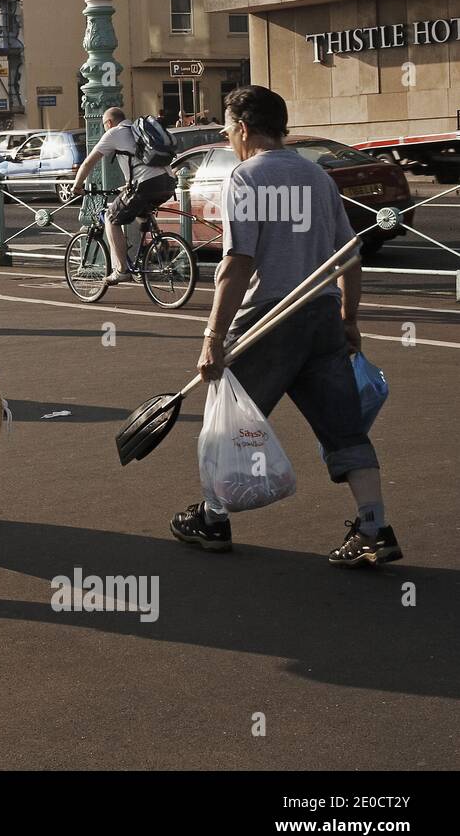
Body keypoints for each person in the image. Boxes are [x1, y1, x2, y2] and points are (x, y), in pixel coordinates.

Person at [170, 85, 397, 568]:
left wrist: (212, 337)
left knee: (227, 420)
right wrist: (348, 319)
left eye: (229, 130)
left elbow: (237, 261)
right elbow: (349, 256)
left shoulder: (246, 176)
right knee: (345, 428)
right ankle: (375, 525)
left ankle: (213, 518)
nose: (230, 138)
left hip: (268, 319)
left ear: (244, 128)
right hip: (320, 318)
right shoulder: (317, 177)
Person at [70, 106, 177, 285]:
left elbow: (89, 162)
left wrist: (77, 185)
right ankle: (153, 249)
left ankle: (121, 270)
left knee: (111, 218)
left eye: (105, 125)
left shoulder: (113, 133)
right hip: (167, 182)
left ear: (109, 123)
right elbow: (141, 163)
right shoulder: (137, 131)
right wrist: (128, 185)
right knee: (141, 211)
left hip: (145, 184)